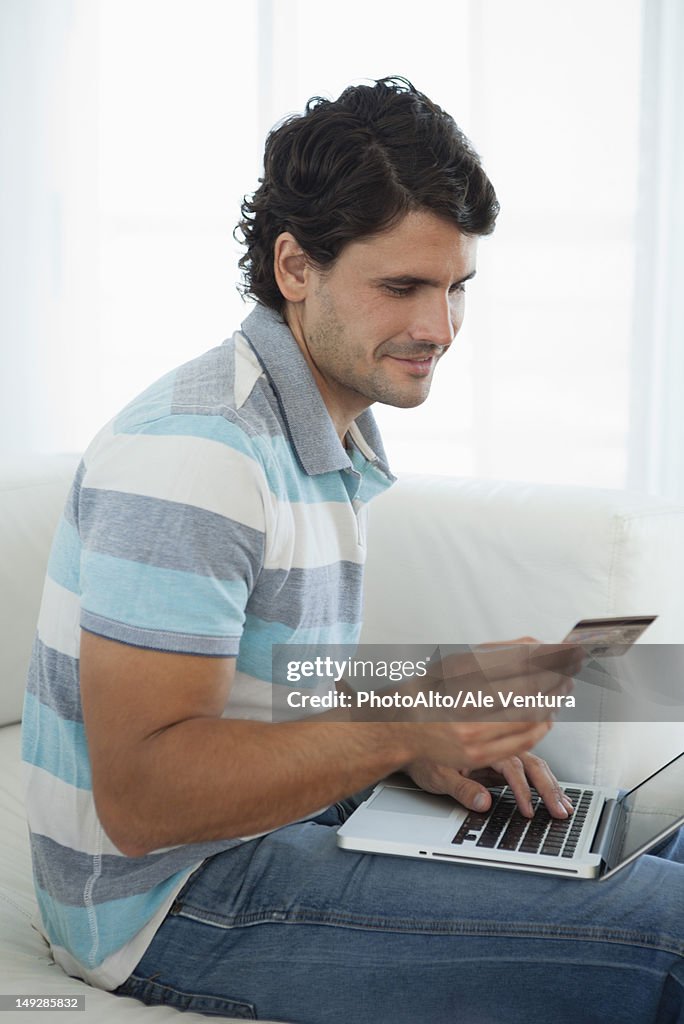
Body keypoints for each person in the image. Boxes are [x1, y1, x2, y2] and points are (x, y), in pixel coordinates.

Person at [22, 77, 684, 1023]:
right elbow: (144, 799)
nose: (438, 329)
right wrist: (401, 732)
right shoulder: (195, 454)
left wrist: (428, 715)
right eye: (401, 287)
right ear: (296, 267)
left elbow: (270, 680)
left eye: (456, 288)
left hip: (278, 823)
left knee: (654, 842)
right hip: (171, 901)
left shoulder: (321, 428)